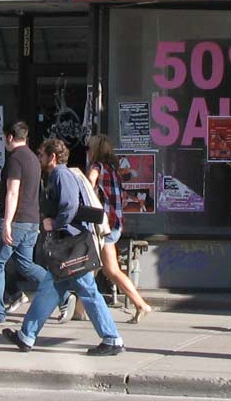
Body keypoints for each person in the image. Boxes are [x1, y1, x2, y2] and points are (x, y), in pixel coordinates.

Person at [1, 138, 124, 356]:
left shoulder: (60, 174)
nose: (39, 158)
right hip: (69, 246)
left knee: (88, 291)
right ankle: (26, 335)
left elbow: (70, 205)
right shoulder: (61, 174)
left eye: (42, 155)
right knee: (50, 289)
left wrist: (54, 223)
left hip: (71, 245)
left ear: (53, 157)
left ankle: (112, 338)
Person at [0, 120, 48, 324]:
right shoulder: (34, 159)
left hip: (15, 220)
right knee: (26, 264)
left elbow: (13, 192)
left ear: (9, 137)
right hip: (31, 220)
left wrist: (7, 222)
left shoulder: (15, 159)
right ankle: (62, 292)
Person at [87, 133, 152, 323]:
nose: (88, 151)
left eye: (89, 148)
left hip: (103, 226)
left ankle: (141, 304)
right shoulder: (114, 170)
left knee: (111, 270)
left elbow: (88, 185)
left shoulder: (97, 167)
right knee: (91, 268)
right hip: (115, 224)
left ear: (95, 150)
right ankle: (80, 311)